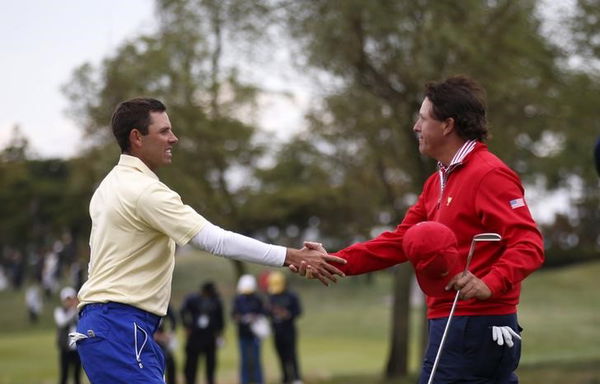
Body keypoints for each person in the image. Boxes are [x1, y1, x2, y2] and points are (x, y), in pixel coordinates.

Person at [71, 97, 346, 383]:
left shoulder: (108, 186)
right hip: (119, 325)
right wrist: (292, 255)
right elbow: (217, 241)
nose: (173, 138)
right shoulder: (145, 192)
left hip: (111, 324)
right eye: (164, 131)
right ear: (137, 137)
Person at [304, 76, 544, 383]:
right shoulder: (437, 181)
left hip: (475, 324)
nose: (416, 126)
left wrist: (490, 282)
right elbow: (399, 241)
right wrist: (335, 261)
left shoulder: (490, 174)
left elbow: (529, 243)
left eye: (423, 118)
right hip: (453, 323)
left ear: (447, 125)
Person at [180, 281, 224, 384]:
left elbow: (220, 318)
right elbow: (183, 311)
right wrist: (186, 326)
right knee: (191, 364)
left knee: (211, 364)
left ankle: (210, 380)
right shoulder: (193, 299)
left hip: (210, 336)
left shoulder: (216, 301)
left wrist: (220, 332)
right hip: (195, 336)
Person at [266, 271, 303, 384]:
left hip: (289, 330)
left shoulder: (291, 296)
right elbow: (267, 312)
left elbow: (298, 311)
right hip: (276, 331)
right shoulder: (271, 297)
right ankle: (285, 378)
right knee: (280, 355)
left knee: (291, 355)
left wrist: (287, 314)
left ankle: (296, 378)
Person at [232, 274, 267, 384]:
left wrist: (254, 317)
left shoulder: (257, 299)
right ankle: (245, 381)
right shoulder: (238, 300)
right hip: (243, 334)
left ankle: (258, 381)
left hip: (255, 335)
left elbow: (263, 313)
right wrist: (242, 318)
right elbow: (234, 315)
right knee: (244, 360)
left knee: (256, 360)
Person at [54, 286, 82, 384]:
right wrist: (73, 310)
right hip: (65, 348)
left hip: (77, 348)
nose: (69, 302)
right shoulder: (59, 311)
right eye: (67, 300)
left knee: (77, 376)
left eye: (71, 299)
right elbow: (62, 322)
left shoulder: (79, 311)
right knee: (64, 375)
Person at [153, 305, 178, 384]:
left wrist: (170, 333)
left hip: (162, 340)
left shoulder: (164, 304)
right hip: (148, 339)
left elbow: (173, 319)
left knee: (170, 362)